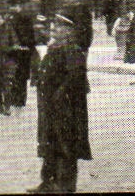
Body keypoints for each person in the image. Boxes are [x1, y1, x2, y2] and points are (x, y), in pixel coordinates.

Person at [33, 16, 92, 193]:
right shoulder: (54, 49)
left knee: (65, 144)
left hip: (66, 108)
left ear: (69, 32)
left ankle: (65, 185)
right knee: (48, 142)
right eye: (53, 28)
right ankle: (47, 182)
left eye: (58, 28)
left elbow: (75, 78)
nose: (54, 31)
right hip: (50, 107)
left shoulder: (73, 50)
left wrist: (60, 95)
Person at [0, 6, 27, 115]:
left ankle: (7, 106)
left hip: (8, 61)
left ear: (3, 19)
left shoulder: (9, 29)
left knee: (7, 84)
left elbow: (15, 44)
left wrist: (9, 50)